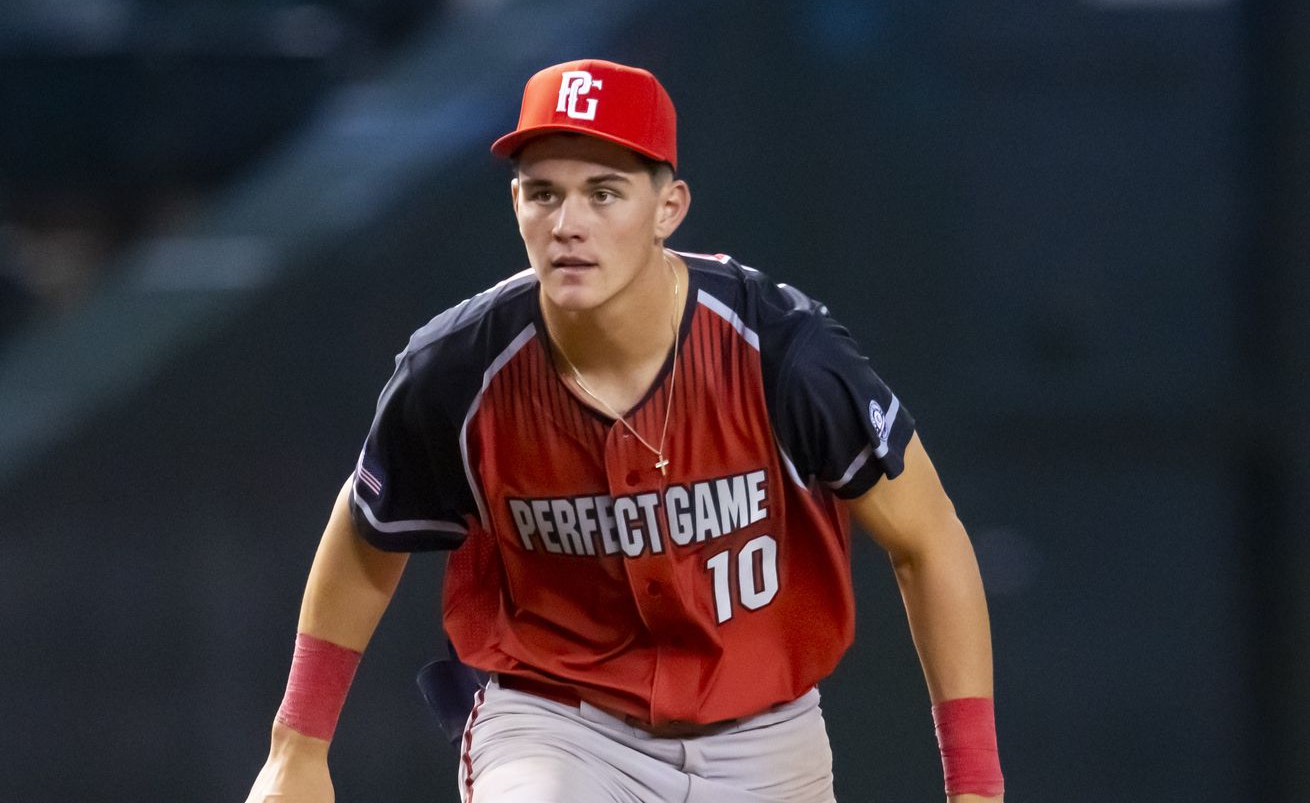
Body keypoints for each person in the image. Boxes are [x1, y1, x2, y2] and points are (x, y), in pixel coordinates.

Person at [243, 59, 1004, 803]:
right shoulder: (457, 368)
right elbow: (368, 526)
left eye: (603, 193)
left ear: (668, 208)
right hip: (557, 724)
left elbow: (927, 540)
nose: (568, 223)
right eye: (544, 193)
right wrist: (296, 748)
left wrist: (975, 784)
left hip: (766, 735)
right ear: (516, 203)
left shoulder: (783, 353)